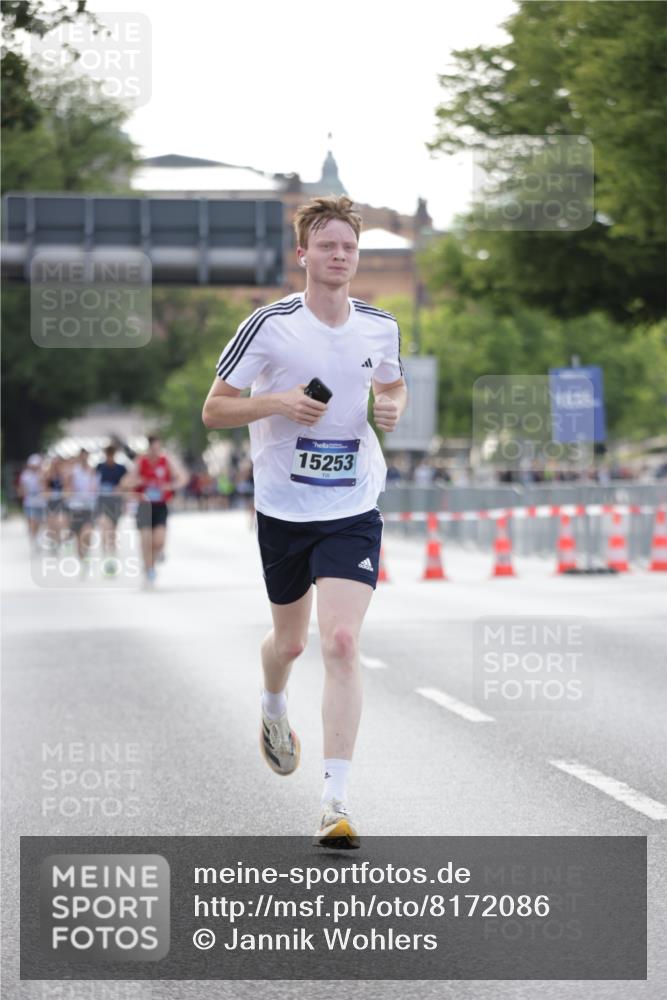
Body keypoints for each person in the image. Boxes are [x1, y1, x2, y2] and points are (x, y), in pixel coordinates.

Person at [202, 195, 407, 849]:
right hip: (284, 507)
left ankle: (334, 802)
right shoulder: (269, 325)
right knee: (288, 645)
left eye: (348, 246)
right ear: (304, 255)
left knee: (341, 643)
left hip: (351, 506)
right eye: (327, 245)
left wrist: (392, 403)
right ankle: (271, 704)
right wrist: (277, 402)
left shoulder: (379, 326)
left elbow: (390, 383)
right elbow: (214, 410)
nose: (339, 255)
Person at [120, 435, 187, 588]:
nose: (156, 452)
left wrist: (171, 486)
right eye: (153, 449)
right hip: (144, 506)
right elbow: (124, 482)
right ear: (149, 448)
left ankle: (153, 560)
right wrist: (136, 482)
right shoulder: (140, 462)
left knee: (158, 541)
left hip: (160, 505)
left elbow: (182, 478)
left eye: (158, 449)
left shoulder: (166, 461)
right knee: (146, 541)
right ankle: (149, 570)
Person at [95, 445, 128, 573]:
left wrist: (123, 498)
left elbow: (126, 486)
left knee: (113, 532)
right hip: (102, 502)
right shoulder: (99, 467)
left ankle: (112, 556)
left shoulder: (121, 469)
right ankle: (105, 555)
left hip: (115, 503)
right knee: (104, 528)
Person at [64, 449, 98, 570]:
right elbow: (67, 488)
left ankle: (86, 552)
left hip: (88, 507)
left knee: (87, 532)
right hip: (75, 507)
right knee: (78, 536)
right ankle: (82, 558)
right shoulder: (73, 471)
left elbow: (95, 487)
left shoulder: (92, 471)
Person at [17, 454, 46, 551]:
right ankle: (33, 539)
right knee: (32, 521)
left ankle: (36, 537)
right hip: (29, 503)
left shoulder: (42, 474)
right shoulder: (25, 475)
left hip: (40, 503)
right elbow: (22, 489)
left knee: (39, 522)